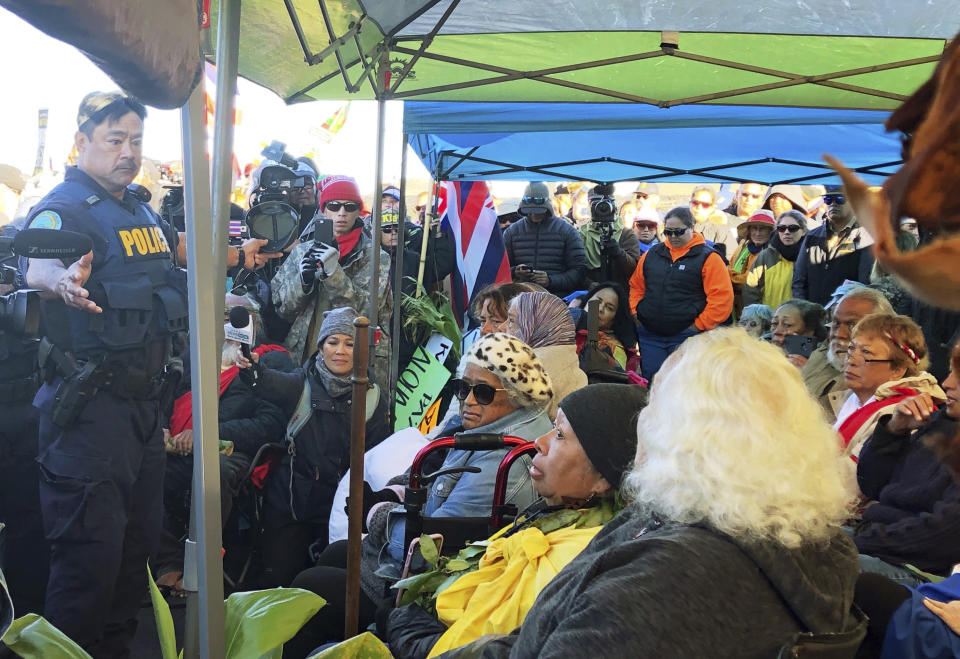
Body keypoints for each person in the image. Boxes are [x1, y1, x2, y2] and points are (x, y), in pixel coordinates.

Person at [23, 91, 274, 656]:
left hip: (143, 417)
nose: (128, 151)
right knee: (87, 572)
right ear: (82, 142)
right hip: (88, 418)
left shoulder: (138, 209)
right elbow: (39, 259)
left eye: (136, 140)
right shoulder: (65, 208)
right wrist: (60, 282)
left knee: (132, 570)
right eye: (115, 139)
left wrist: (236, 258)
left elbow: (172, 250)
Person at [437, 329, 860, 658]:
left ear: (681, 435)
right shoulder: (816, 545)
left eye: (653, 407)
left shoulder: (669, 579)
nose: (642, 423)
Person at [280, 333, 553, 656]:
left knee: (309, 588)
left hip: (430, 588)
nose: (467, 400)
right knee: (336, 554)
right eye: (462, 388)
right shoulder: (489, 431)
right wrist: (395, 495)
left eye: (482, 392)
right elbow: (432, 479)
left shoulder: (504, 458)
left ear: (518, 396)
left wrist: (376, 513)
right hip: (427, 567)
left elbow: (431, 547)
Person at [385, 384, 649, 659]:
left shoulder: (567, 561)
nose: (539, 442)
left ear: (603, 477)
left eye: (559, 435)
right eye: (463, 387)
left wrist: (405, 628)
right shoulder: (560, 512)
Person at [236, 306, 391, 587]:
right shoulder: (299, 383)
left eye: (350, 343)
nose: (340, 350)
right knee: (281, 582)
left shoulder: (375, 399)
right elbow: (267, 382)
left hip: (341, 511)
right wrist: (251, 368)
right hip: (289, 507)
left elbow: (379, 457)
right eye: (333, 342)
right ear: (321, 348)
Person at [153, 299, 291, 595]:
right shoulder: (195, 356)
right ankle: (169, 561)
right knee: (144, 466)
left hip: (232, 451)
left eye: (237, 317)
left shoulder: (270, 361)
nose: (230, 324)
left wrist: (205, 434)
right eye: (223, 315)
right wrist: (162, 426)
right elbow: (163, 396)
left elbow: (269, 424)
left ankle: (203, 564)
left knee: (212, 474)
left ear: (254, 322)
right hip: (174, 445)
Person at [850, 345, 960, 588]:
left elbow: (943, 536)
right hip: (877, 538)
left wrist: (858, 544)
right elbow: (873, 484)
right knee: (773, 543)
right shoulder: (944, 420)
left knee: (802, 563)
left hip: (920, 569)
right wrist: (893, 431)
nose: (947, 383)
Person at [271, 174, 391, 389]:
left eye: (350, 206)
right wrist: (303, 283)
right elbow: (282, 309)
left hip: (352, 362)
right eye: (334, 206)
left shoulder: (375, 257)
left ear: (358, 211)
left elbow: (365, 312)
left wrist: (333, 273)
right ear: (323, 209)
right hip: (305, 356)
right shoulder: (302, 252)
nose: (342, 213)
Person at [832, 313, 944, 478]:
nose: (851, 361)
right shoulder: (851, 396)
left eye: (866, 354)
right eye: (851, 349)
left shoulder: (898, 413)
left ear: (897, 371)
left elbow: (854, 478)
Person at [629, 206, 734, 380]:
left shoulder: (709, 258)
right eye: (668, 232)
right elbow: (636, 286)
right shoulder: (652, 254)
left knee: (682, 386)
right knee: (652, 384)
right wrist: (636, 312)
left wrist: (698, 326)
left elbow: (722, 299)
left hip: (686, 336)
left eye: (678, 232)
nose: (673, 237)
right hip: (650, 334)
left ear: (691, 228)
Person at [802, 286, 894, 421]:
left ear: (884, 332)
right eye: (836, 323)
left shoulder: (882, 379)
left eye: (853, 325)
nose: (839, 334)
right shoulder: (820, 355)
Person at [380, 209, 455, 374]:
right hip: (380, 337)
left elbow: (440, 266)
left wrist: (437, 236)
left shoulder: (414, 260)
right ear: (377, 232)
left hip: (409, 336)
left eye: (397, 229)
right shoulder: (370, 260)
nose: (392, 233)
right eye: (386, 229)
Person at [505, 291, 587, 419]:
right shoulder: (570, 361)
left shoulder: (527, 371)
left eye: (511, 321)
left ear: (532, 326)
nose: (503, 328)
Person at [792, 185, 875, 305]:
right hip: (813, 315)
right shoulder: (812, 236)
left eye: (840, 199)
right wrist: (804, 311)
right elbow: (798, 281)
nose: (833, 204)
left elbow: (865, 282)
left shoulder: (865, 237)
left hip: (846, 314)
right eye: (828, 200)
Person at [503, 182, 587, 298]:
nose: (533, 214)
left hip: (556, 300)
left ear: (548, 207)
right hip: (520, 301)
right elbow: (500, 269)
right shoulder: (511, 232)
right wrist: (515, 272)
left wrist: (550, 281)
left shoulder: (567, 231)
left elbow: (579, 271)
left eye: (538, 211)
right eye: (529, 210)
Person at [578, 186, 640, 292]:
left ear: (613, 206)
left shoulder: (626, 234)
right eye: (595, 203)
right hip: (593, 295)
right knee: (595, 308)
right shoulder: (582, 234)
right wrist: (589, 284)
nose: (602, 207)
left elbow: (633, 269)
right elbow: (575, 268)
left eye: (606, 203)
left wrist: (619, 252)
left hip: (619, 295)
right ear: (589, 205)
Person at [743, 210, 808, 311]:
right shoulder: (765, 255)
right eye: (781, 228)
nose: (786, 232)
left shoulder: (812, 255)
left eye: (793, 228)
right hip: (769, 322)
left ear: (803, 231)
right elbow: (751, 291)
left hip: (800, 321)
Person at [570, 282, 638, 371]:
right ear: (587, 300)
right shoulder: (567, 319)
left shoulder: (615, 349)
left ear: (614, 320)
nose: (600, 308)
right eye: (598, 301)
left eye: (609, 308)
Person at [727, 210, 774, 317]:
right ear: (749, 230)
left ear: (771, 231)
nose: (757, 233)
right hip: (737, 308)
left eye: (762, 229)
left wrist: (728, 274)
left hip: (762, 310)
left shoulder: (773, 252)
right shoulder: (742, 248)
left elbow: (750, 280)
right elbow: (730, 265)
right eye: (754, 228)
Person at [688, 185, 737, 259]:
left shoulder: (723, 231)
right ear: (690, 203)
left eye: (705, 205)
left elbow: (731, 260)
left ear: (713, 207)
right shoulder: (676, 226)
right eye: (695, 202)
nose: (699, 207)